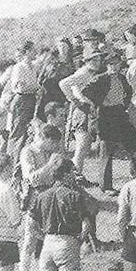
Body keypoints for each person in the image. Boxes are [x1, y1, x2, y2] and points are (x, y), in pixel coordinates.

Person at [29, 159, 97, 271]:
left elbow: (32, 226)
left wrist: (44, 237)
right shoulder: (74, 195)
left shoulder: (42, 196)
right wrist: (79, 240)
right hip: (67, 243)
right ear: (66, 174)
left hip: (48, 244)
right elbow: (87, 225)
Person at [83, 51, 136, 195]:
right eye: (111, 64)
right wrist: (99, 104)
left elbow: (129, 92)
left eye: (117, 64)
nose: (114, 67)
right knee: (106, 150)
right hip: (105, 116)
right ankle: (105, 186)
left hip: (120, 113)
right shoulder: (100, 79)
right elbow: (85, 92)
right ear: (107, 65)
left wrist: (124, 104)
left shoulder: (122, 78)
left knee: (135, 143)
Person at [18, 124, 65, 271]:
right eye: (54, 144)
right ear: (46, 139)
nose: (56, 147)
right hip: (34, 199)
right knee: (30, 240)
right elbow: (32, 179)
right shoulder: (27, 152)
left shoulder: (50, 152)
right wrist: (49, 165)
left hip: (50, 197)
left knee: (51, 237)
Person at [59, 40, 106, 180]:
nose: (97, 62)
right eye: (94, 59)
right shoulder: (83, 73)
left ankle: (76, 175)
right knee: (82, 145)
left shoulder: (91, 73)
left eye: (99, 59)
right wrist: (75, 100)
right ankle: (72, 176)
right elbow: (63, 83)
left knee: (85, 146)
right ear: (87, 61)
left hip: (89, 110)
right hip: (81, 112)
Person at [6, 41, 39, 163]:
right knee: (17, 133)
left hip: (31, 100)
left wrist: (36, 88)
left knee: (26, 133)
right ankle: (10, 163)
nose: (35, 52)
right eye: (33, 50)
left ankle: (20, 164)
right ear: (27, 52)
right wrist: (37, 88)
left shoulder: (33, 67)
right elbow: (20, 87)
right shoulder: (19, 67)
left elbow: (32, 85)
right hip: (21, 101)